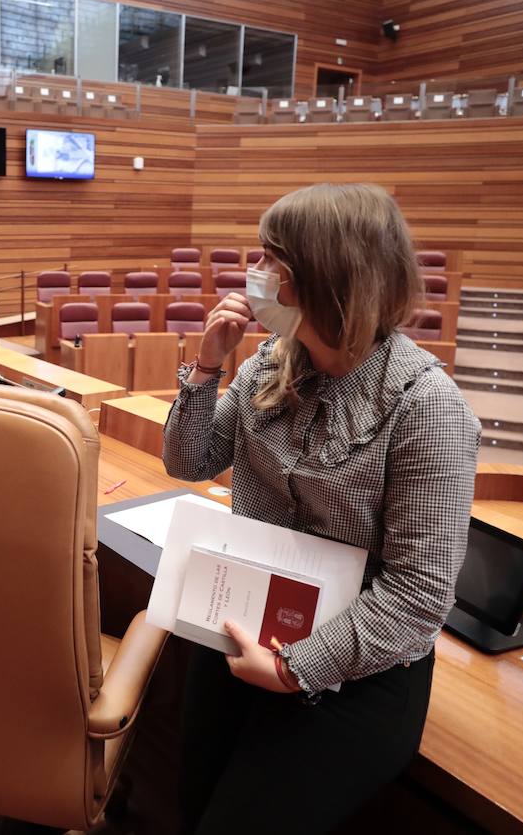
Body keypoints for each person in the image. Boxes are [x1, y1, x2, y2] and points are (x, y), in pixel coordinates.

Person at [162, 183, 481, 833]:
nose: (255, 274)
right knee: (194, 806)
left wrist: (292, 668)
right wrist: (205, 366)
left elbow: (419, 596)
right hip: (249, 620)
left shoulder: (427, 408)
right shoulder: (268, 366)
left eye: (271, 258)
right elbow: (188, 461)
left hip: (357, 667)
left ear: (324, 277)